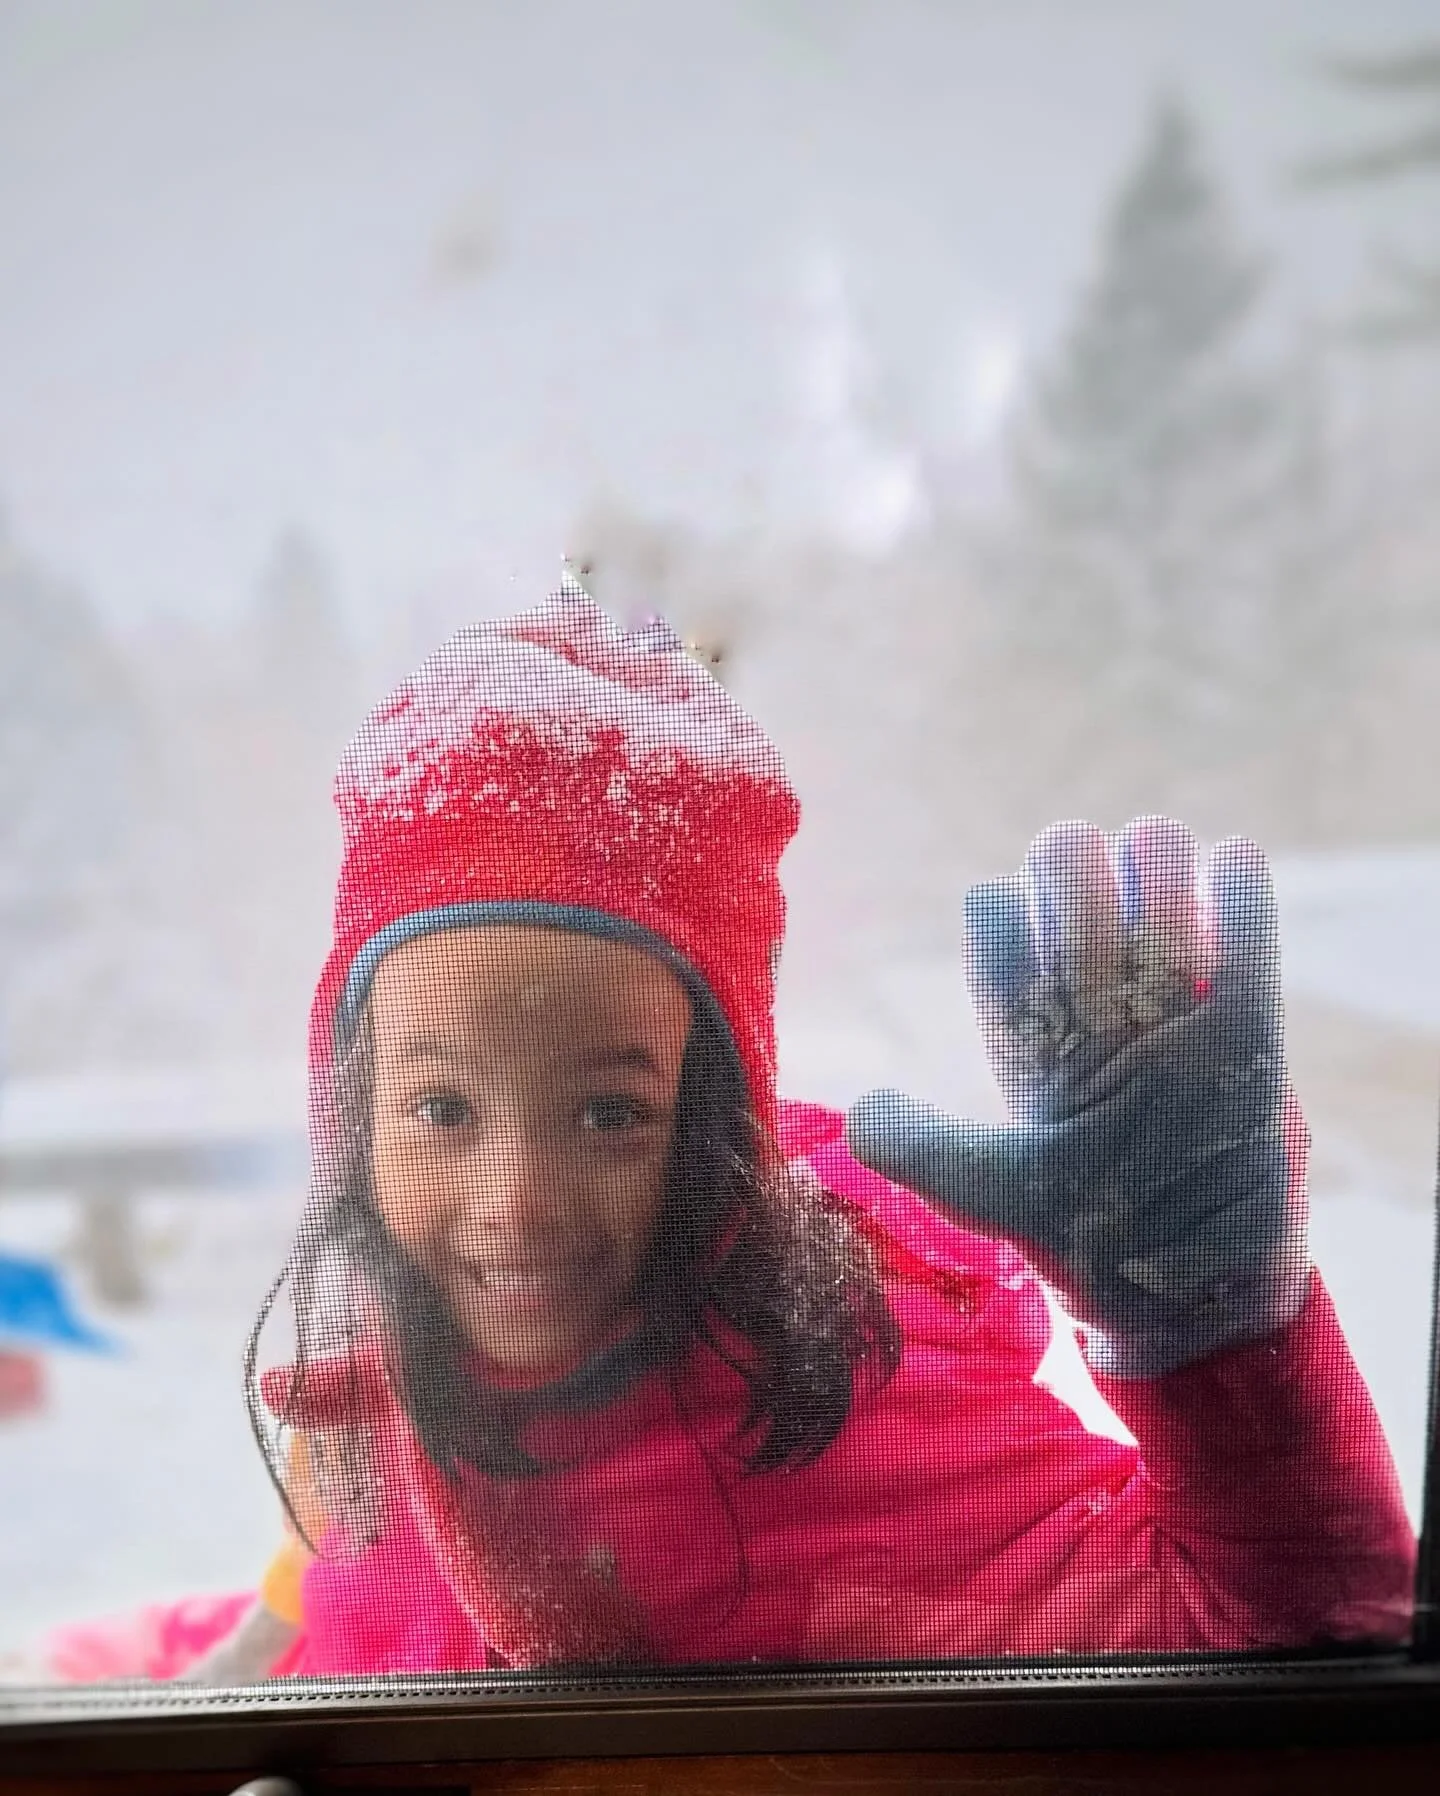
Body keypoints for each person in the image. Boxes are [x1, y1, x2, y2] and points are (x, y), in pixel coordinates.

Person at [46, 580, 1417, 1681]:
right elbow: (308, 1630)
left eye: (610, 1111)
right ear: (352, 1110)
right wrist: (75, 1674)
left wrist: (1213, 1333)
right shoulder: (391, 1381)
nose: (515, 1205)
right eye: (443, 1107)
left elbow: (1285, 1632)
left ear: (712, 1124)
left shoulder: (826, 1435)